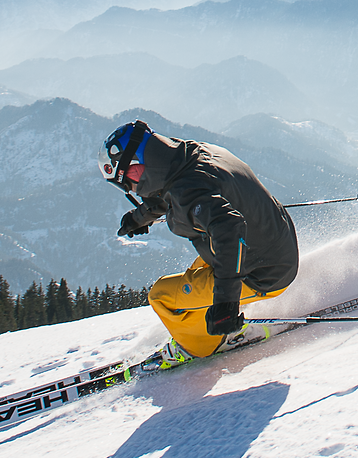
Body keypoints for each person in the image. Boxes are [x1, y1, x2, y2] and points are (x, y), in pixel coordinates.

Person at [101, 119, 301, 361]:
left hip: (264, 274)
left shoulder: (189, 191)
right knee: (194, 274)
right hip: (275, 245)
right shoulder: (191, 154)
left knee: (161, 296)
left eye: (126, 182)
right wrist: (139, 218)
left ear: (134, 167)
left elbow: (228, 227)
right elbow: (172, 191)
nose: (131, 189)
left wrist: (225, 305)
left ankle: (206, 345)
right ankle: (203, 324)